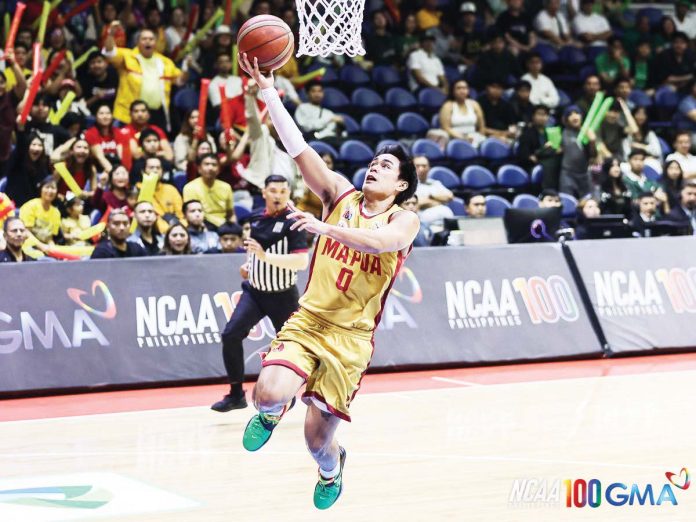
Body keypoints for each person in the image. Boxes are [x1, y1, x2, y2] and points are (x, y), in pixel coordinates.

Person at [238, 53, 419, 510]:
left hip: (351, 340)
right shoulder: (338, 193)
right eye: (374, 161)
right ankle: (275, 409)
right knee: (265, 395)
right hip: (310, 319)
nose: (375, 167)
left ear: (400, 186)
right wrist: (266, 91)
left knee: (317, 441)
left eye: (386, 166)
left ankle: (332, 468)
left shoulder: (406, 220)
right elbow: (298, 148)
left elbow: (380, 245)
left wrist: (325, 229)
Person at [211, 174, 309, 412]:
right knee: (231, 334)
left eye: (283, 191)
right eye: (274, 190)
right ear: (264, 193)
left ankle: (292, 394)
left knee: (294, 348)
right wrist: (249, 266)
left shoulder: (294, 220)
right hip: (254, 292)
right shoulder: (255, 217)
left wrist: (266, 257)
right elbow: (253, 249)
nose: (279, 195)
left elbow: (301, 262)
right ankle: (236, 394)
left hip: (283, 296)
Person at [102, 22, 188, 130]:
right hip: (128, 116)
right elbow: (109, 53)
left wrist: (186, 68)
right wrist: (111, 34)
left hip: (156, 115)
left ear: (155, 43)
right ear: (137, 42)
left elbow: (180, 81)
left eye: (151, 39)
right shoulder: (128, 56)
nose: (148, 41)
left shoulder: (165, 62)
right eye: (144, 39)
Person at [183, 154, 236, 229]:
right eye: (206, 164)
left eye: (214, 165)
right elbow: (190, 214)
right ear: (199, 169)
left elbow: (231, 214)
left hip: (223, 225)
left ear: (218, 170)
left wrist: (234, 228)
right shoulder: (190, 187)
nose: (210, 168)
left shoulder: (226, 187)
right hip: (202, 223)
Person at [5, 131, 51, 207]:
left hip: (33, 208)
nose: (37, 148)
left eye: (40, 145)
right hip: (14, 206)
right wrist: (21, 129)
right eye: (33, 144)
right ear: (27, 146)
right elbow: (20, 147)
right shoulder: (18, 161)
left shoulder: (42, 167)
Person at [435, 80, 485, 146]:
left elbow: (481, 127)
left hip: (473, 136)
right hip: (453, 138)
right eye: (458, 88)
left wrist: (480, 139)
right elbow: (446, 128)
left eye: (465, 88)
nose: (462, 91)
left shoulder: (474, 104)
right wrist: (463, 138)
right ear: (453, 91)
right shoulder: (447, 106)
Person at [560, 106, 596, 198]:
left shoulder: (587, 132)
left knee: (590, 202)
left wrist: (592, 142)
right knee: (568, 202)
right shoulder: (562, 133)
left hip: (584, 174)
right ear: (566, 119)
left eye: (577, 113)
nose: (574, 116)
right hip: (568, 174)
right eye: (570, 114)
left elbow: (593, 157)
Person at [19, 177, 62, 246]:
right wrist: (41, 246)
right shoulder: (31, 205)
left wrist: (53, 250)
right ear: (41, 189)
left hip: (44, 247)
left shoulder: (56, 212)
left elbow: (49, 238)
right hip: (28, 245)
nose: (50, 191)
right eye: (47, 187)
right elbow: (26, 232)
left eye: (53, 188)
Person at [413, 155, 454, 225]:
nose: (421, 169)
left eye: (424, 166)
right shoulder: (408, 185)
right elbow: (417, 203)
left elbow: (450, 196)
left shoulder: (435, 183)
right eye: (417, 166)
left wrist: (431, 196)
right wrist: (441, 201)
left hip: (447, 222)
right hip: (425, 223)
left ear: (429, 168)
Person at [84, 103, 124, 174]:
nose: (105, 116)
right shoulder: (91, 133)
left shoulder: (117, 131)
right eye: (101, 113)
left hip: (116, 168)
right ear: (96, 116)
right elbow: (100, 157)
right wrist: (114, 174)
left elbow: (120, 157)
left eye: (108, 113)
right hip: (98, 170)